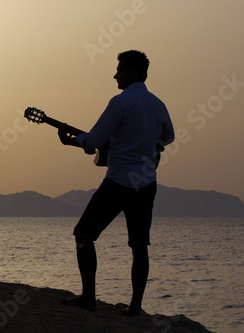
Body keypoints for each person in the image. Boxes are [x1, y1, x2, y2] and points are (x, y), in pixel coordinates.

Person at [57, 50, 175, 316]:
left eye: (119, 70)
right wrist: (151, 147)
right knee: (139, 245)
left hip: (119, 181)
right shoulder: (158, 104)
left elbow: (94, 139)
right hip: (146, 184)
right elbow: (169, 136)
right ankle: (135, 307)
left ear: (133, 72)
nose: (115, 74)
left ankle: (88, 298)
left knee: (84, 235)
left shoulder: (120, 103)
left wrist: (72, 140)